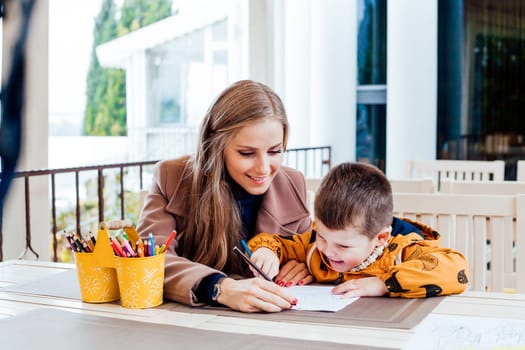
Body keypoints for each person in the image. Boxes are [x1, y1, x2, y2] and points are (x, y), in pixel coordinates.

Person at [137, 80, 313, 312]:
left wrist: (305, 266)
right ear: (216, 147)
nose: (263, 168)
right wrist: (219, 288)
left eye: (275, 151)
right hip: (188, 323)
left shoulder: (292, 183)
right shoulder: (171, 177)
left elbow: (308, 250)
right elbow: (148, 260)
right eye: (247, 153)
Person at [248, 162, 470, 298]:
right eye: (324, 237)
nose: (328, 251)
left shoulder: (402, 251)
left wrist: (383, 284)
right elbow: (276, 242)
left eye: (344, 245)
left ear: (380, 238)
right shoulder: (315, 244)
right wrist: (267, 252)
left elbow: (457, 270)